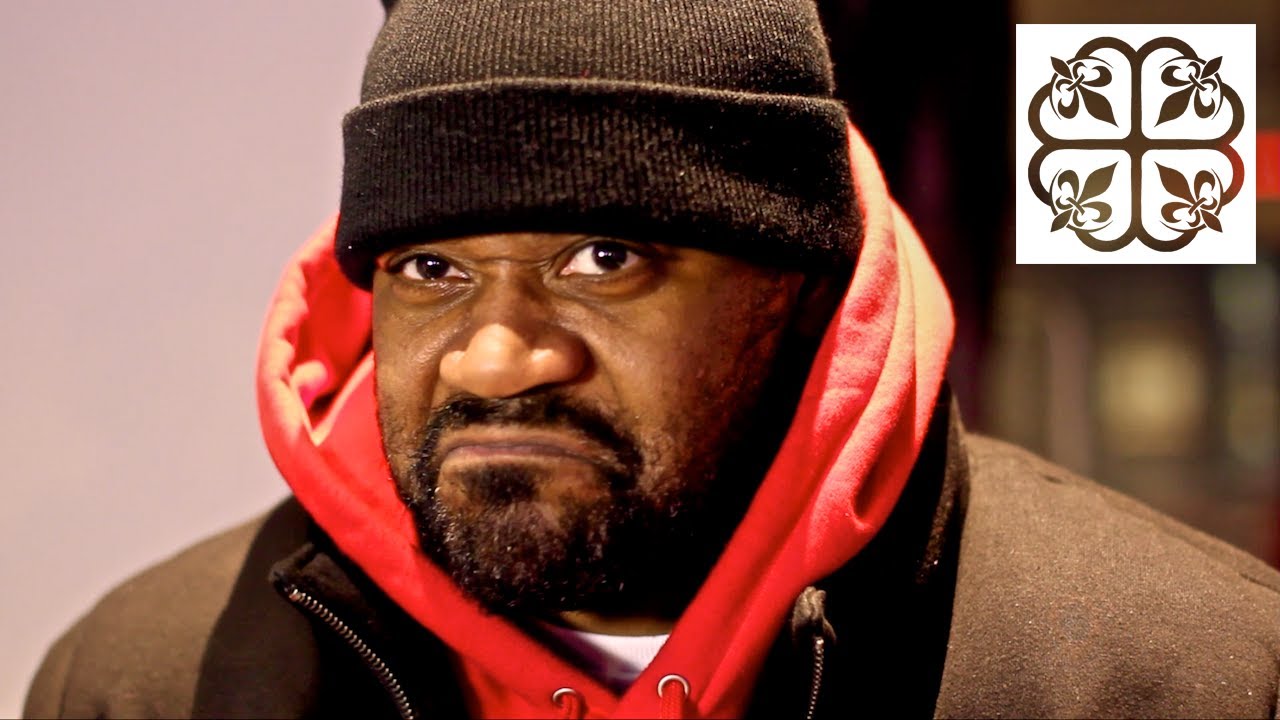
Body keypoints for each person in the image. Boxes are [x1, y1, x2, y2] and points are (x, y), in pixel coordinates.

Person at [24, 2, 1280, 718]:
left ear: (797, 286)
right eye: (430, 268)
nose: (495, 358)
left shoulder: (1183, 680)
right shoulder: (147, 681)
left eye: (603, 258)